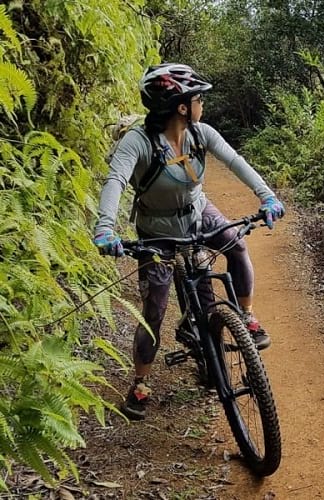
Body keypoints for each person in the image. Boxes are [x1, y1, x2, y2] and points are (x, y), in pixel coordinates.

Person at [92, 63, 285, 420]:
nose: (202, 104)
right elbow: (116, 180)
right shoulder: (139, 141)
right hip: (158, 230)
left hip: (197, 212)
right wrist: (106, 227)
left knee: (236, 245)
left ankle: (247, 315)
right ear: (182, 106)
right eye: (198, 98)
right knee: (155, 309)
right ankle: (140, 382)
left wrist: (267, 197)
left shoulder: (202, 133)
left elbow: (236, 161)